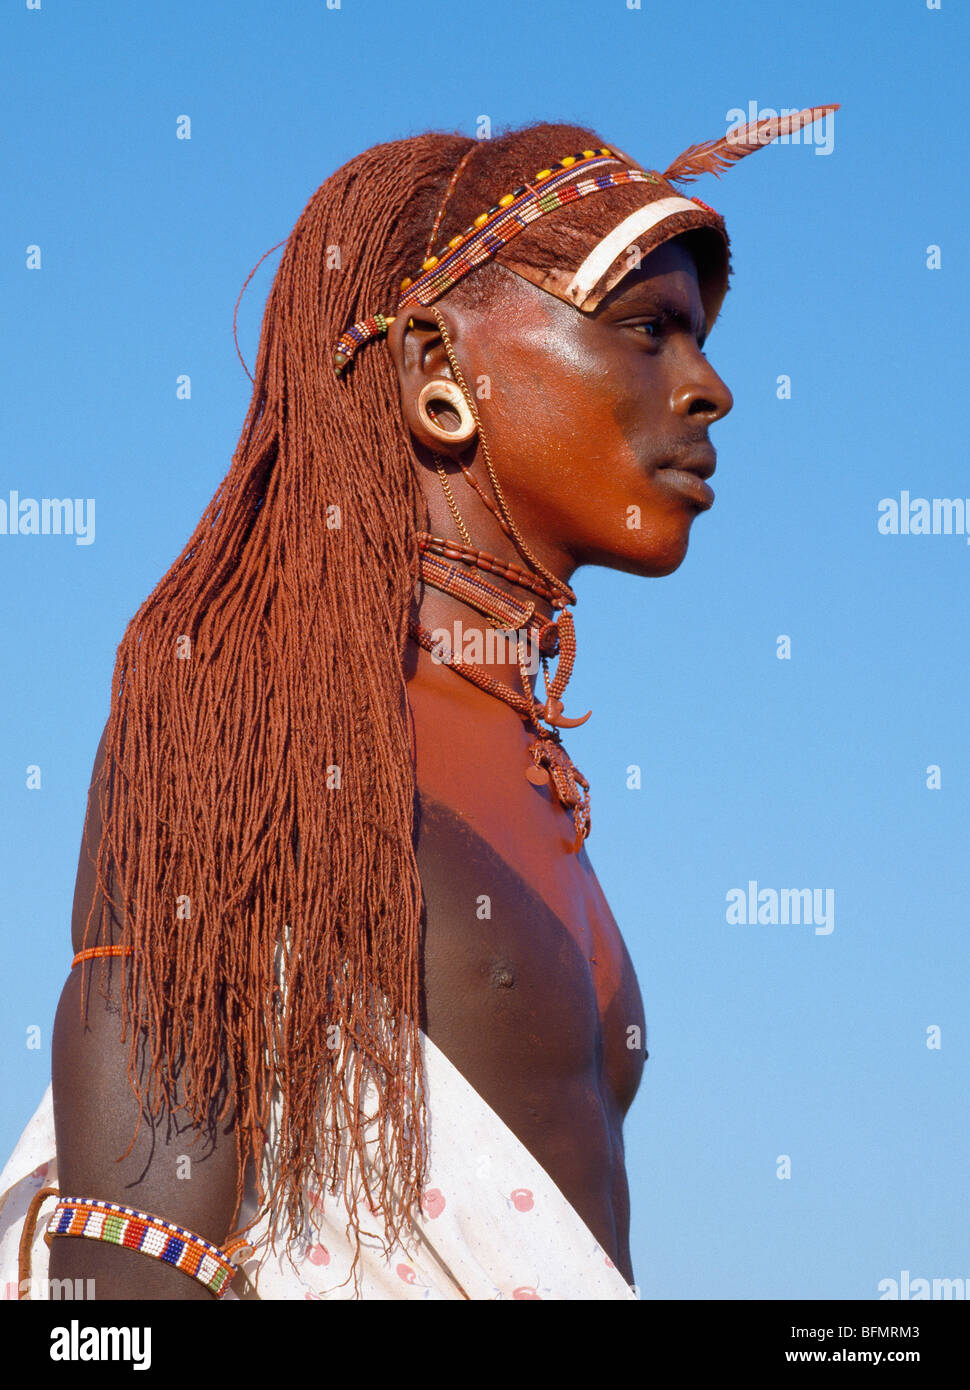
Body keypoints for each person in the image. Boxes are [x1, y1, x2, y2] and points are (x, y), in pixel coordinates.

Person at [0, 108, 835, 1301]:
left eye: (695, 340)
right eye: (647, 332)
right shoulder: (246, 707)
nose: (709, 390)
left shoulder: (531, 758)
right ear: (437, 371)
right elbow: (129, 1264)